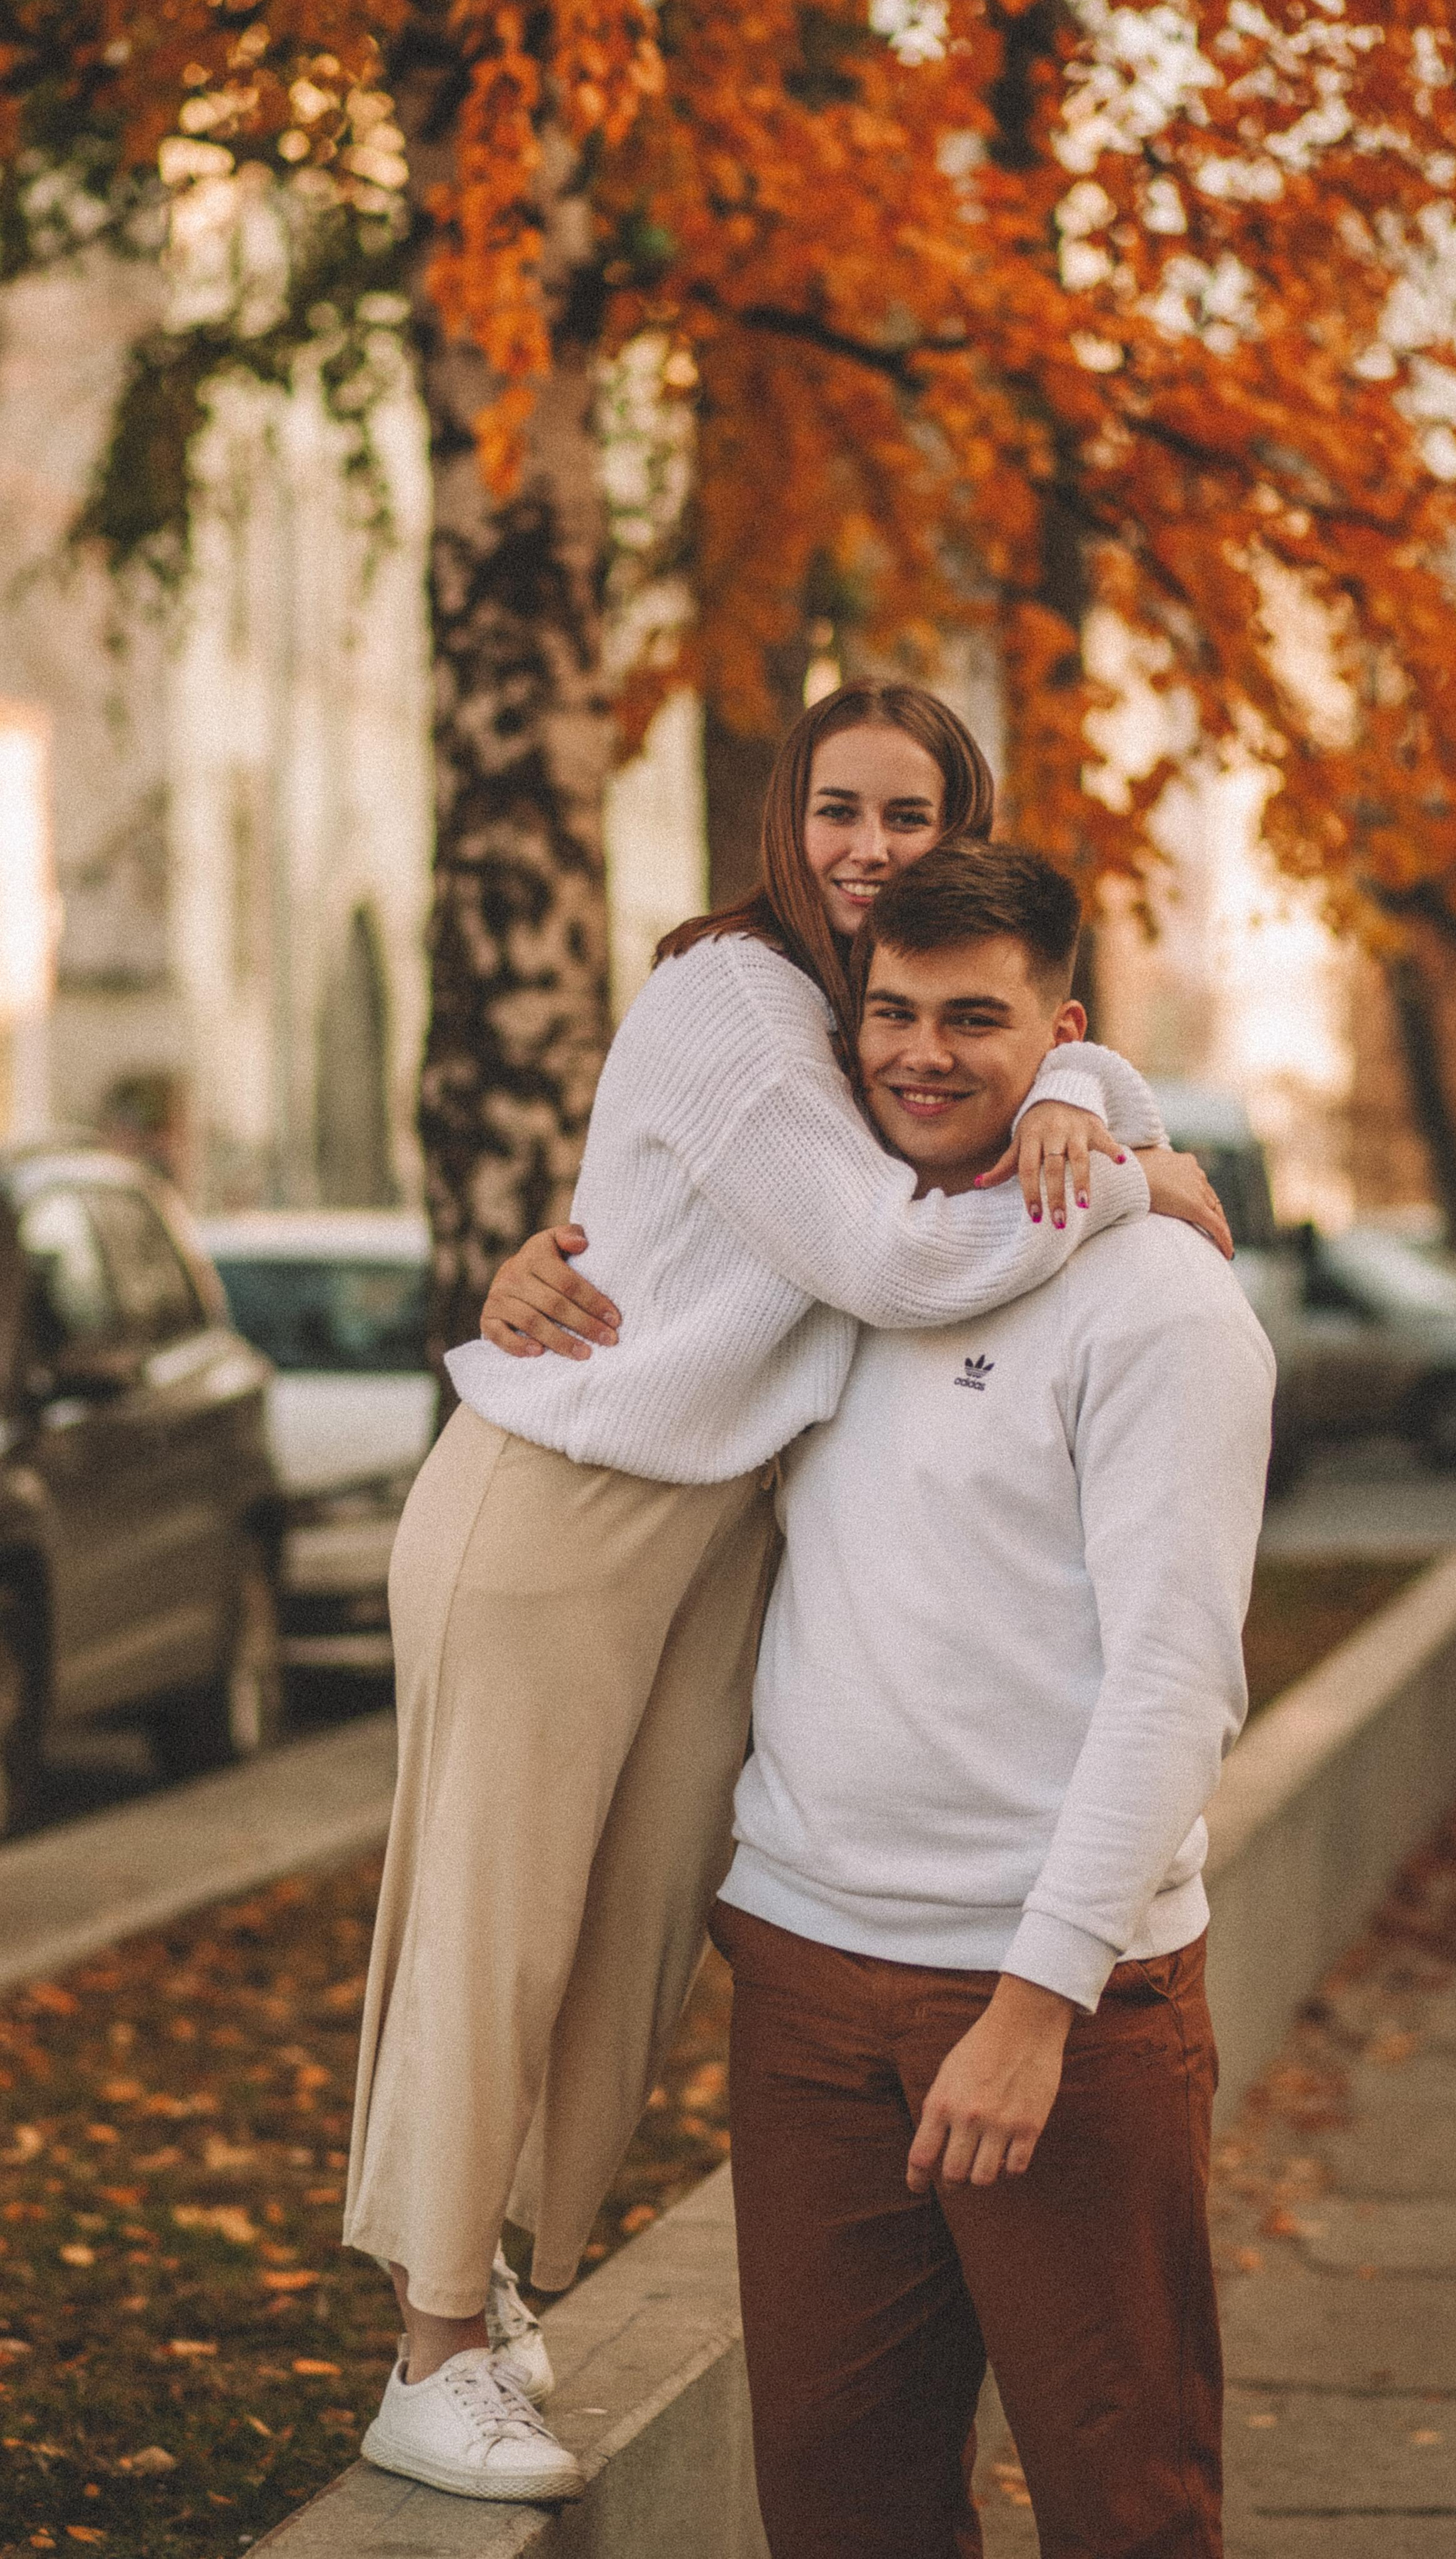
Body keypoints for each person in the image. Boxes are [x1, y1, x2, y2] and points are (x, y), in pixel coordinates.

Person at [345, 683, 1230, 2504]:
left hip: (701, 1526)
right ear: (784, 818)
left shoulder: (872, 1005)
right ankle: (427, 2345)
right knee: (496, 1919)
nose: (869, 849)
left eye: (912, 816)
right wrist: (1134, 1184)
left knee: (636, 1931)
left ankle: (506, 2285)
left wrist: (1089, 1096)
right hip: (567, 1507)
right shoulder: (736, 997)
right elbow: (898, 1257)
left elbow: (1058, 1054)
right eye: (839, 809)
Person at [709, 840, 1274, 2559]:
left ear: (1065, 1036)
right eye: (892, 1012)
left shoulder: (1159, 1297)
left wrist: (1038, 2005)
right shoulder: (842, 1260)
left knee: (1125, 2503)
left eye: (976, 1018)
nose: (922, 1054)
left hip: (1052, 2006)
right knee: (841, 2508)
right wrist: (527, 1290)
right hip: (805, 1978)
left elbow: (1181, 1683)